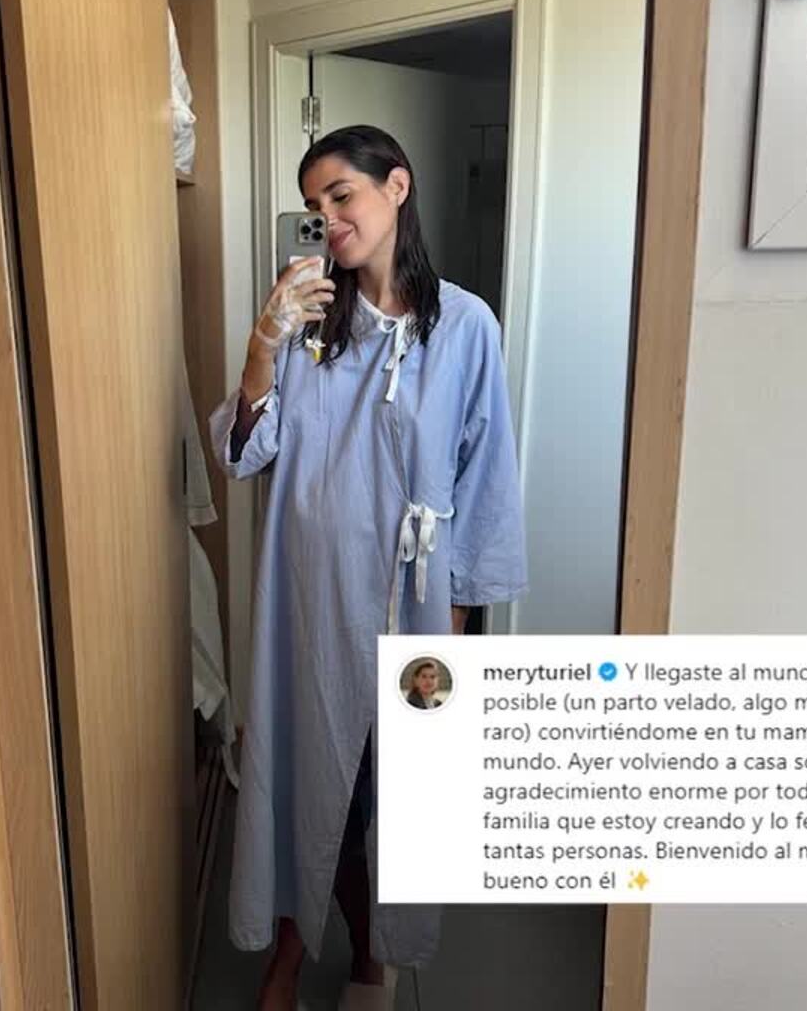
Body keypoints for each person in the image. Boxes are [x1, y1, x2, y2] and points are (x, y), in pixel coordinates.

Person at [209, 124, 527, 1011]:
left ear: (397, 187)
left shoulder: (465, 326)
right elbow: (244, 454)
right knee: (320, 787)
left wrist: (453, 630)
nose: (329, 218)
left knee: (397, 796)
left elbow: (485, 476)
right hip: (314, 597)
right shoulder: (309, 325)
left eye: (341, 196)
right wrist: (264, 342)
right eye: (314, 206)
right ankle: (287, 954)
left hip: (417, 605)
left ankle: (375, 959)